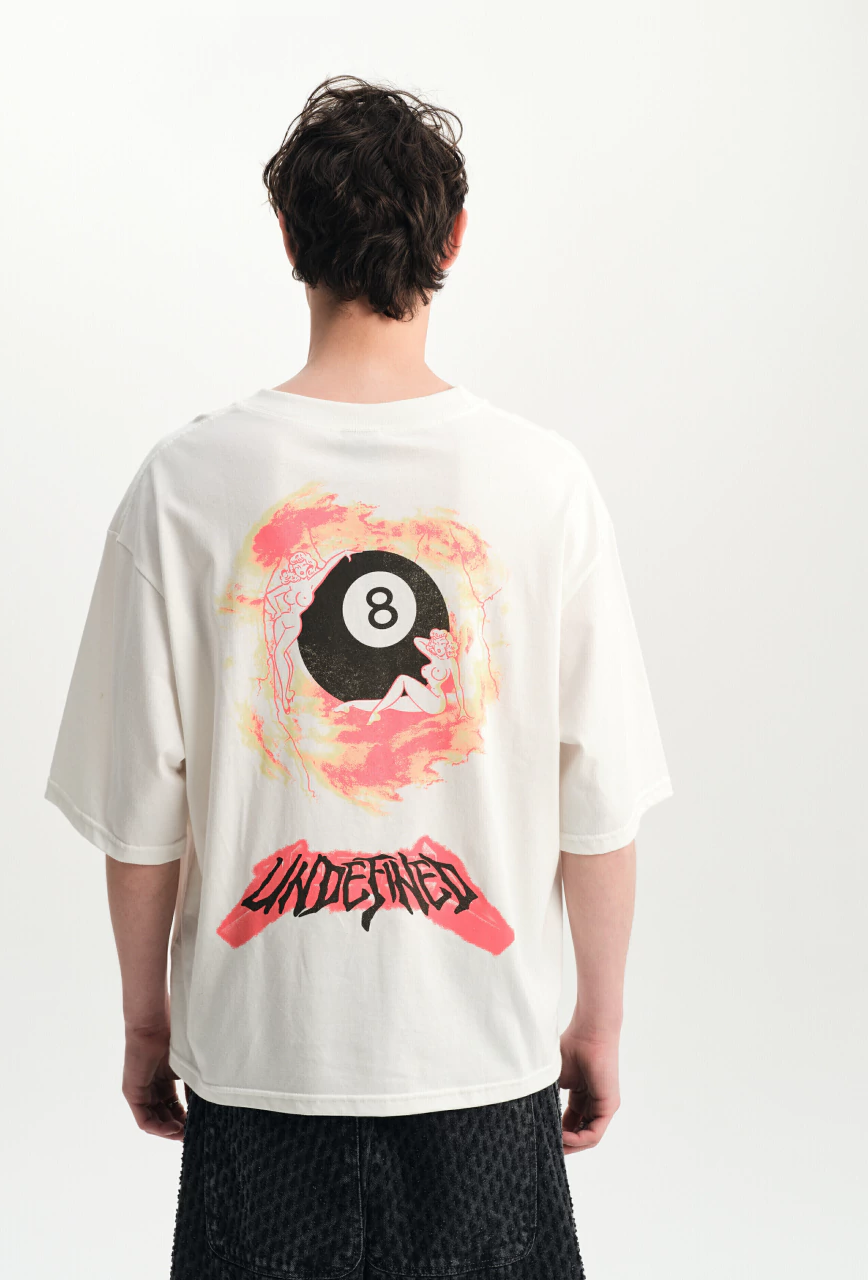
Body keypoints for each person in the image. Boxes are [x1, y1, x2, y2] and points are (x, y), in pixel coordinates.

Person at [44, 76, 672, 1279]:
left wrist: (146, 1020)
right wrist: (596, 1016)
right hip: (483, 1060)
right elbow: (598, 800)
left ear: (288, 236)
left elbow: (138, 812)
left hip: (262, 1061)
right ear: (453, 239)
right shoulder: (543, 484)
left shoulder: (185, 483)